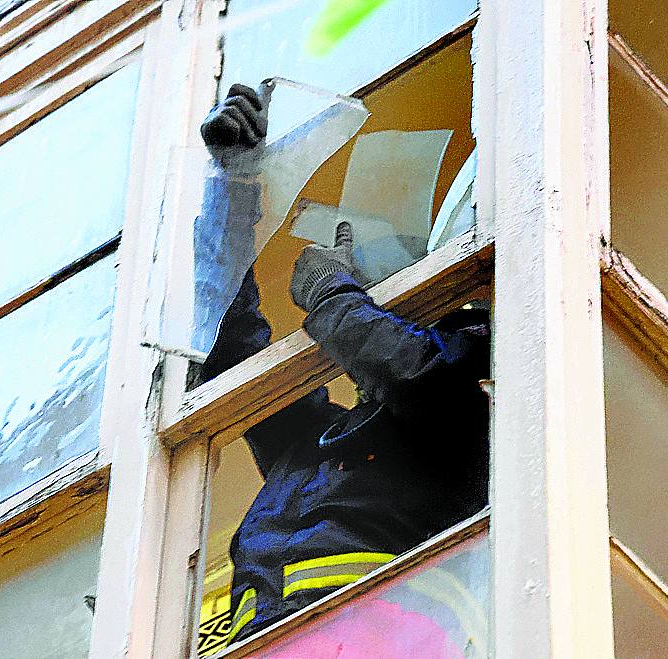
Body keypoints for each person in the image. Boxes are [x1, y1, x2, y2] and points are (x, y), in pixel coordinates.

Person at [198, 85, 490, 646]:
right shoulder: (311, 447)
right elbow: (227, 347)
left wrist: (334, 298)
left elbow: (418, 375)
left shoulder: (472, 399)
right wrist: (231, 190)